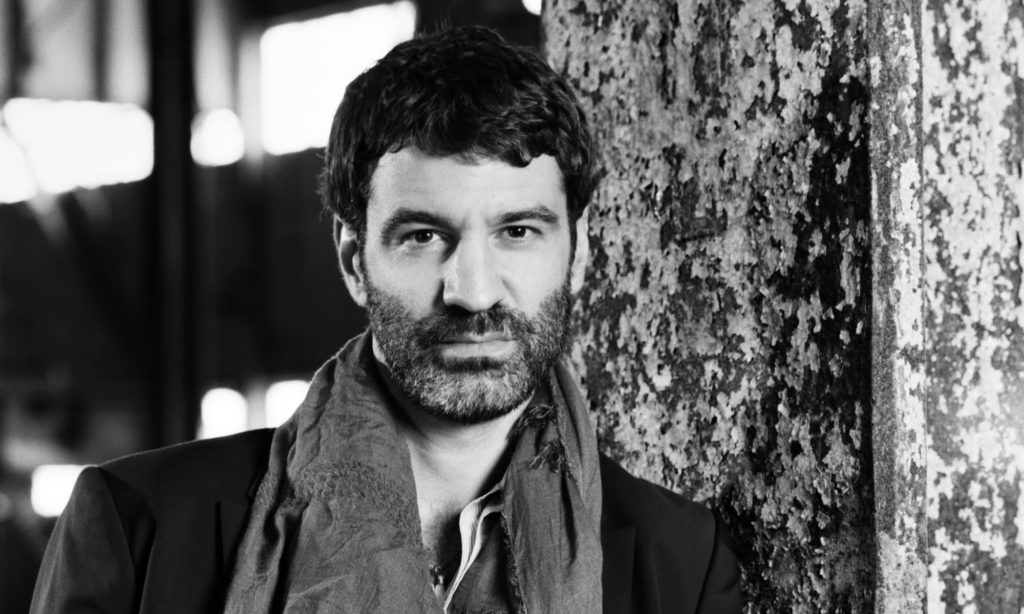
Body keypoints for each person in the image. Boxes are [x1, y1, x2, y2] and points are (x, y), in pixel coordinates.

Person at [30, 26, 742, 614]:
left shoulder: (681, 564)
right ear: (353, 259)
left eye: (518, 231)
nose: (473, 292)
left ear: (576, 254)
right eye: (424, 236)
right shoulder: (140, 530)